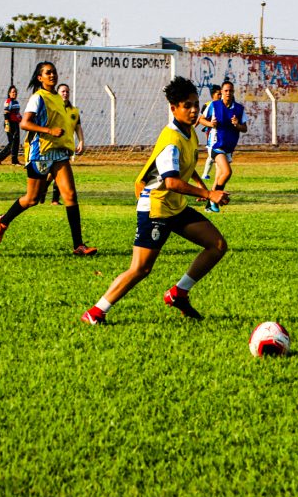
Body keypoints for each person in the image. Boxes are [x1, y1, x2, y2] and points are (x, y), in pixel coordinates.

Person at [80, 76, 230, 325]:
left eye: (196, 104)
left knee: (217, 245)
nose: (194, 111)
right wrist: (208, 194)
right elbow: (170, 181)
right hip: (156, 208)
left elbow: (186, 166)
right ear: (173, 108)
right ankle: (95, 312)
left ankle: (178, 293)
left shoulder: (189, 133)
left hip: (175, 206)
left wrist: (203, 186)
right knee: (140, 269)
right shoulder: (170, 140)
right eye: (187, 106)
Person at [0, 62, 97, 256]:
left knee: (71, 196)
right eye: (48, 73)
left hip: (58, 154)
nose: (52, 75)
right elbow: (24, 123)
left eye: (54, 72)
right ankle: (4, 220)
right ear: (40, 78)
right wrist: (49, 131)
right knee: (32, 199)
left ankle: (79, 245)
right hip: (39, 153)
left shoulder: (58, 98)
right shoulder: (37, 98)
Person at [197, 80, 247, 212]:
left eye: (230, 90)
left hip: (228, 147)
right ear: (221, 92)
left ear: (233, 92)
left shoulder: (239, 109)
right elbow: (201, 119)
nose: (228, 93)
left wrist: (237, 125)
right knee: (227, 172)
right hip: (215, 145)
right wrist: (211, 124)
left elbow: (244, 128)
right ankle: (215, 199)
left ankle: (211, 203)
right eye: (225, 91)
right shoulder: (214, 105)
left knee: (220, 176)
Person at [49, 83, 85, 205]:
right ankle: (42, 191)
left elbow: (78, 127)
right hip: (51, 145)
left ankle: (54, 199)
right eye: (63, 91)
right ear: (58, 93)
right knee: (50, 173)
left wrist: (81, 141)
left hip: (65, 146)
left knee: (59, 173)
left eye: (67, 92)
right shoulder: (53, 108)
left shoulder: (74, 111)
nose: (65, 93)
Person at [0, 85, 22, 165]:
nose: (14, 93)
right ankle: (11, 160)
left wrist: (21, 119)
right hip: (10, 123)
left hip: (16, 124)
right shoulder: (8, 101)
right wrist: (7, 124)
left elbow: (17, 114)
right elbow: (6, 113)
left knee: (15, 142)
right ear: (9, 93)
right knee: (12, 142)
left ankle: (2, 158)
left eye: (15, 92)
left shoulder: (16, 102)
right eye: (13, 92)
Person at [200, 84, 222, 180]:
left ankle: (206, 175)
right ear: (213, 95)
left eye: (221, 94)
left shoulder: (225, 105)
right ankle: (209, 175)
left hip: (222, 133)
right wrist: (209, 124)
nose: (221, 96)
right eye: (219, 94)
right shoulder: (209, 105)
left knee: (215, 155)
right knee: (214, 154)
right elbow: (201, 118)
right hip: (211, 131)